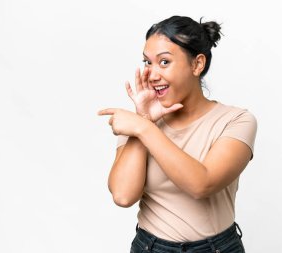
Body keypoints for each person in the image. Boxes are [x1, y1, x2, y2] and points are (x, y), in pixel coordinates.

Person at [98, 15, 257, 253]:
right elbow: (123, 195)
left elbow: (202, 184)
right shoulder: (141, 121)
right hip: (150, 247)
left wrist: (143, 128)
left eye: (164, 62)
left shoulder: (236, 120)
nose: (151, 74)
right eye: (147, 62)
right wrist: (144, 119)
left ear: (197, 64)